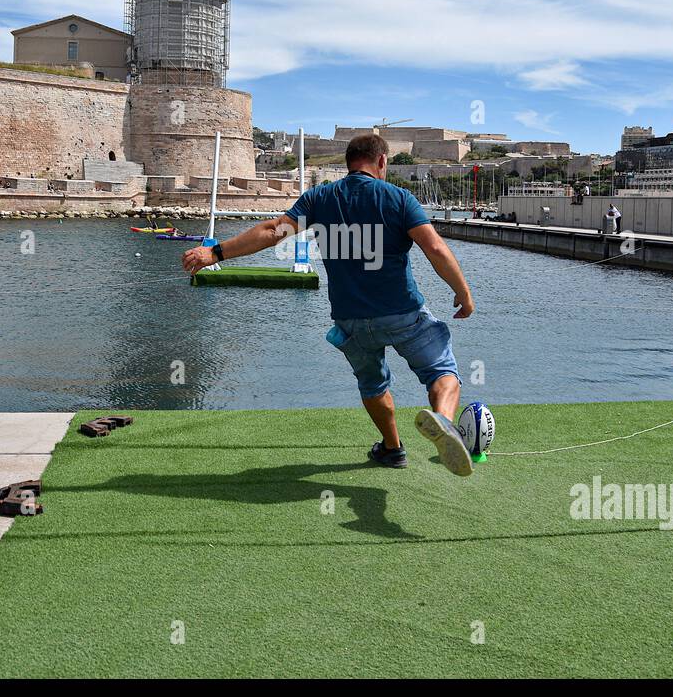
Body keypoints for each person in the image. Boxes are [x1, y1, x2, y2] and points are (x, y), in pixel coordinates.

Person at [181, 133, 478, 476]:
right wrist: (463, 293)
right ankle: (442, 421)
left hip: (351, 321)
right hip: (402, 313)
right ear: (382, 161)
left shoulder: (320, 198)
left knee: (372, 384)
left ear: (350, 162)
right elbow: (436, 249)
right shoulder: (399, 198)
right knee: (441, 371)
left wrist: (213, 253)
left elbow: (272, 230)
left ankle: (393, 449)